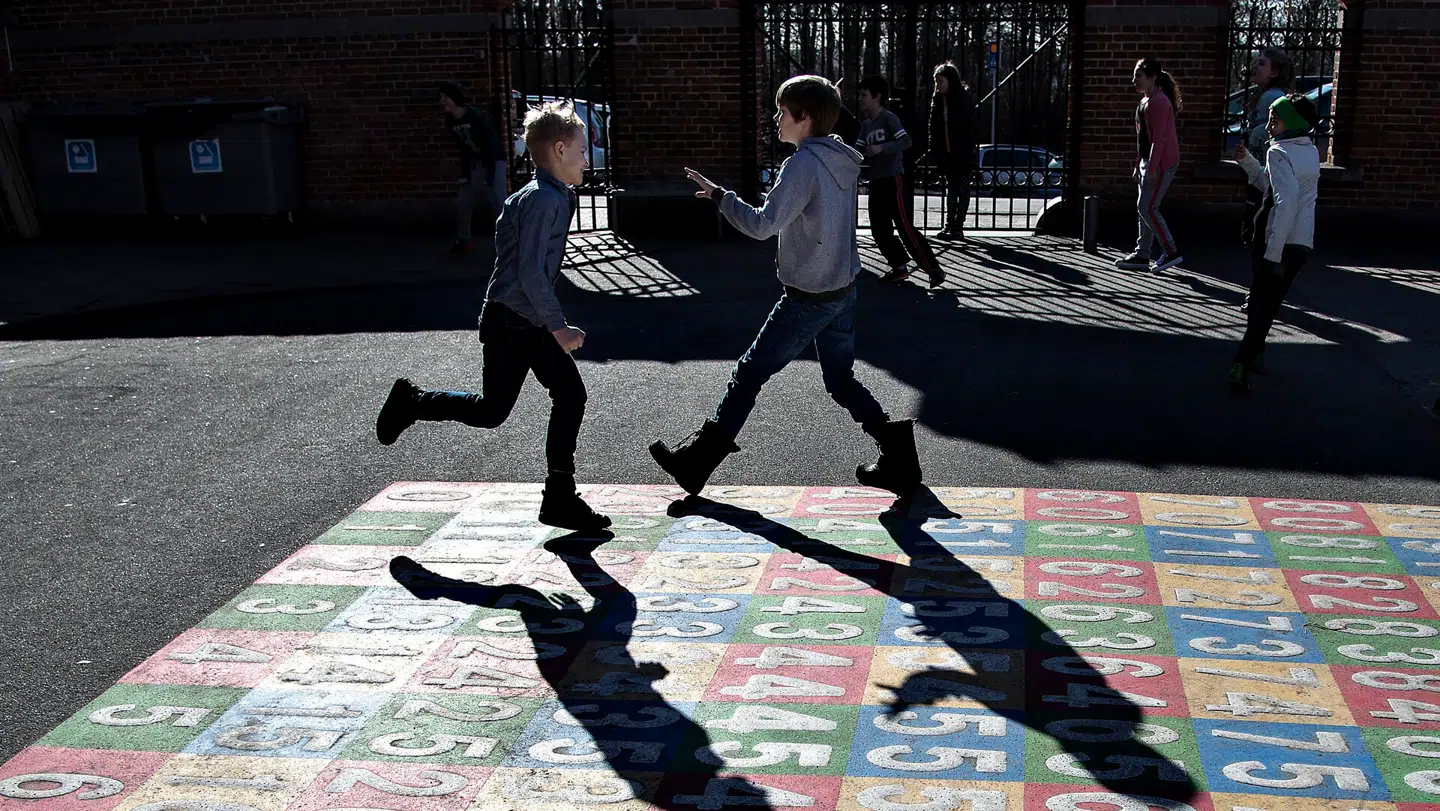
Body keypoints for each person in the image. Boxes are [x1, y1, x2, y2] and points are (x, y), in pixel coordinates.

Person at [651, 75, 924, 498]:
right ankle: (899, 455)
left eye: (782, 112)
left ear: (805, 118)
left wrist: (723, 198)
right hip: (841, 288)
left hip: (808, 297)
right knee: (840, 380)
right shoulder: (842, 159)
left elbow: (763, 225)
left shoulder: (802, 165)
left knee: (748, 373)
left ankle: (697, 462)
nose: (776, 119)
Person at [374, 102, 609, 531]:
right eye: (580, 150)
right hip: (511, 323)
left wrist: (548, 323)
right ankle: (413, 402)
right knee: (491, 411)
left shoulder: (549, 195)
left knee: (571, 395)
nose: (586, 158)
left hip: (526, 320)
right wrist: (557, 326)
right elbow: (529, 272)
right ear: (558, 150)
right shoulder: (542, 201)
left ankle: (559, 496)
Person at [1228, 93, 1321, 393]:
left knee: (1259, 303)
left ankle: (1241, 362)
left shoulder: (1278, 152)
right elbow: (1272, 186)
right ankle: (1254, 354)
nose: (1268, 125)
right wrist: (1249, 164)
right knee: (1270, 302)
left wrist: (1272, 253)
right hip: (1301, 242)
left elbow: (1284, 201)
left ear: (1291, 122)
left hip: (1274, 238)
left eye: (1274, 119)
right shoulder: (1311, 151)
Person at [855, 75, 944, 287]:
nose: (860, 99)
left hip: (893, 180)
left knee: (904, 226)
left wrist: (881, 148)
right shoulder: (866, 126)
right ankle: (899, 267)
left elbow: (906, 141)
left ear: (877, 97)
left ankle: (933, 269)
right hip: (876, 182)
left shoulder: (889, 119)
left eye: (864, 95)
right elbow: (857, 150)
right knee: (879, 228)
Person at [1116, 58, 1183, 273]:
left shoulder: (1159, 102)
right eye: (1135, 75)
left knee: (1148, 207)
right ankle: (1142, 253)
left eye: (1139, 76)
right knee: (1143, 208)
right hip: (1149, 161)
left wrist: (1153, 168)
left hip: (1163, 162)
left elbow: (1160, 140)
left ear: (1152, 78)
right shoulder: (1145, 101)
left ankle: (1171, 251)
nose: (1134, 80)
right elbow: (1144, 138)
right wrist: (1139, 164)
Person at [1238, 48, 1293, 311]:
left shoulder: (1272, 97)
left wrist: (1250, 139)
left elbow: (1267, 137)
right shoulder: (1267, 95)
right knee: (1255, 235)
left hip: (1263, 179)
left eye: (1262, 63)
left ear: (1274, 72)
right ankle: (1261, 289)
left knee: (1257, 237)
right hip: (1260, 176)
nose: (1255, 67)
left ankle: (1260, 291)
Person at [439, 81, 504, 256]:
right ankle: (464, 240)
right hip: (475, 162)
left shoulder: (475, 116)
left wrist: (489, 175)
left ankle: (507, 243)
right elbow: (464, 149)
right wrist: (466, 174)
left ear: (455, 98)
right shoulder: (451, 121)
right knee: (463, 201)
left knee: (497, 200)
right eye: (441, 97)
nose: (442, 101)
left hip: (493, 160)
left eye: (446, 97)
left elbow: (490, 144)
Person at [927, 62, 976, 241]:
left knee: (962, 190)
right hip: (947, 153)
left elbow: (970, 128)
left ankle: (958, 225)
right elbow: (933, 127)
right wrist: (935, 150)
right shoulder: (938, 101)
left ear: (950, 81)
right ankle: (949, 224)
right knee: (951, 190)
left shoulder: (963, 99)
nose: (938, 85)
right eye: (936, 82)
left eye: (940, 81)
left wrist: (966, 150)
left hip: (962, 153)